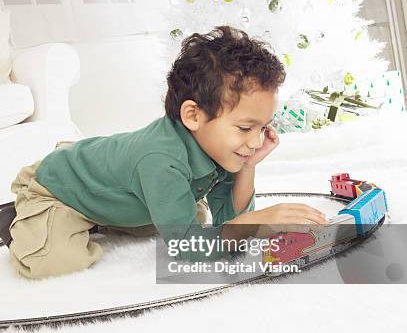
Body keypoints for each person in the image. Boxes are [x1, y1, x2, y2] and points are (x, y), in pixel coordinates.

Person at [1, 25, 327, 279]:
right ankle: (26, 217)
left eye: (262, 128)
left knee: (193, 218)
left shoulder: (219, 148)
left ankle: (103, 211)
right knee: (56, 261)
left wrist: (246, 167)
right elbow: (189, 250)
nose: (256, 142)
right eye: (245, 128)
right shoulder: (160, 160)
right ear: (193, 115)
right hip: (58, 185)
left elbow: (231, 221)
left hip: (121, 183)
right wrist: (261, 219)